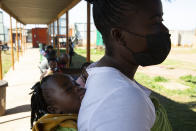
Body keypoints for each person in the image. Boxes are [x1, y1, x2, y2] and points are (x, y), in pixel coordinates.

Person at [78, 0, 172, 131]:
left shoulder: (99, 76)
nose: (165, 30)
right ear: (119, 36)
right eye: (155, 22)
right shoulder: (122, 99)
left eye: (161, 20)